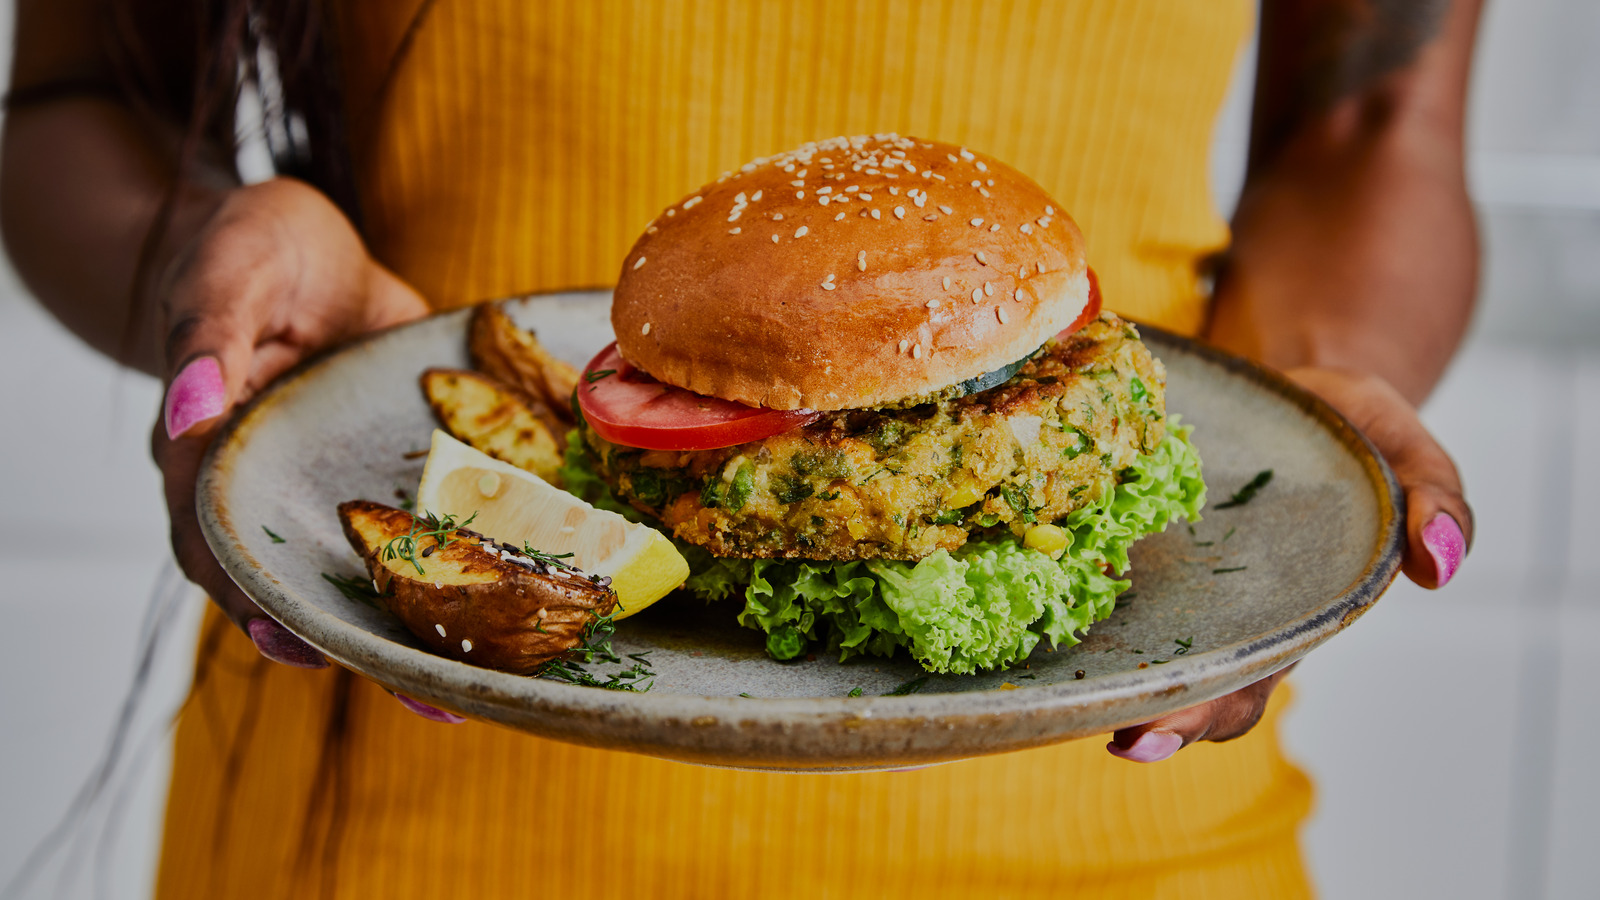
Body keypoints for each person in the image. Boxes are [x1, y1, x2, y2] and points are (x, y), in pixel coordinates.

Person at [2, 0, 1478, 895]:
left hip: (1125, 811)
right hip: (393, 792)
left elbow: (1373, 130)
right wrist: (208, 259)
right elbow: (83, 97)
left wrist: (1288, 411)